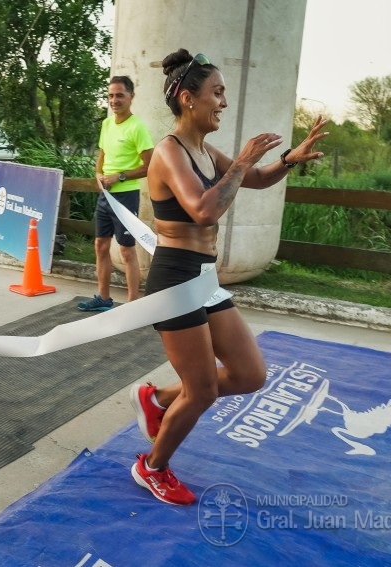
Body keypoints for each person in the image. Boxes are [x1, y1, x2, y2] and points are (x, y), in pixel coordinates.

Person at [128, 49, 328, 505]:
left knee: (249, 374)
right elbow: (202, 210)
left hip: (203, 278)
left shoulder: (202, 150)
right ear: (186, 99)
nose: (223, 102)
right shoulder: (169, 151)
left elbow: (254, 179)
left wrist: (289, 160)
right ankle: (151, 467)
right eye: (216, 93)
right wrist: (240, 161)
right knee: (200, 392)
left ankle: (157, 398)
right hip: (176, 280)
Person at [77, 76, 154, 312]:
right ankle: (103, 297)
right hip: (105, 196)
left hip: (126, 196)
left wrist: (118, 177)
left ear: (131, 96)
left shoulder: (137, 127)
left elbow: (149, 166)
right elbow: (101, 157)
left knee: (126, 249)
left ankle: (132, 305)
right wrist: (99, 174)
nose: (114, 100)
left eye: (119, 95)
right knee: (100, 244)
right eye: (110, 95)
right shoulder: (107, 124)